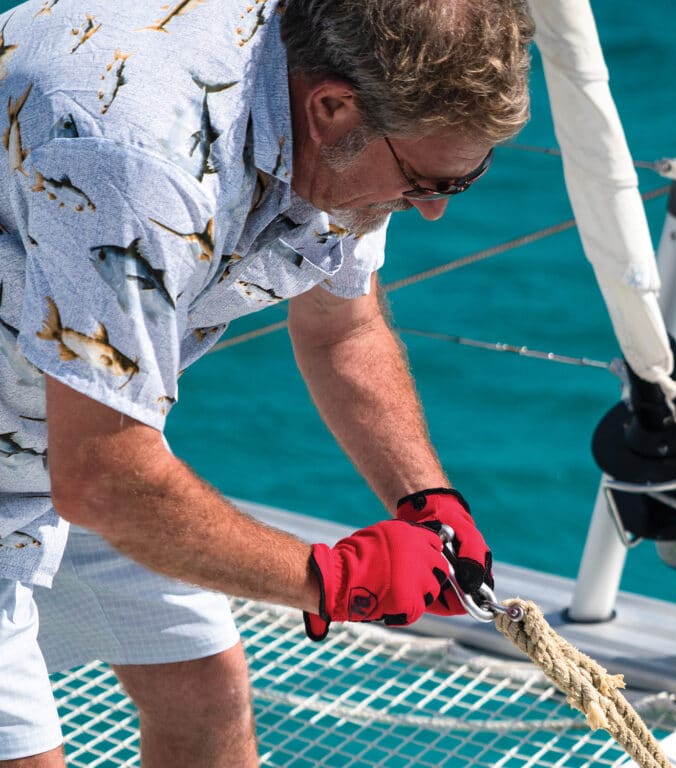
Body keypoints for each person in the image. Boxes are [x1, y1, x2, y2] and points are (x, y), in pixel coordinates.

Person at [0, 0, 534, 764]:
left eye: (465, 178)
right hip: (65, 452)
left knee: (203, 690)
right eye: (423, 179)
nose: (434, 211)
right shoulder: (137, 158)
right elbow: (105, 481)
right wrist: (335, 579)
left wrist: (427, 502)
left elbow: (343, 329)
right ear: (331, 107)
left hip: (51, 426)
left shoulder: (347, 114)